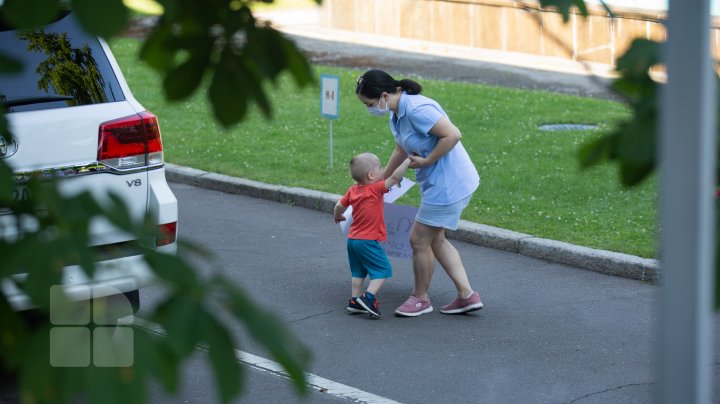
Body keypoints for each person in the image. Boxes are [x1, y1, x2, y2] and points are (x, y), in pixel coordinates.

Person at [355, 69, 483, 317]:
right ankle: (467, 296)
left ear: (383, 95)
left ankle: (421, 298)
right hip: (441, 182)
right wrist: (382, 181)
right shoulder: (397, 113)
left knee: (419, 239)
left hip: (447, 184)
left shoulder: (416, 110)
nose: (369, 109)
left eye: (369, 104)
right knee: (436, 239)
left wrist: (428, 161)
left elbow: (453, 134)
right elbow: (402, 147)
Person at [334, 152, 412, 317]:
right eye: (380, 168)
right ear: (371, 175)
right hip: (367, 241)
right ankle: (368, 298)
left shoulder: (353, 190)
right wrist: (407, 161)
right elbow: (395, 178)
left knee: (358, 272)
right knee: (383, 270)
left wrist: (337, 216)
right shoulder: (376, 189)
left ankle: (354, 301)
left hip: (352, 240)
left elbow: (339, 205)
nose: (383, 170)